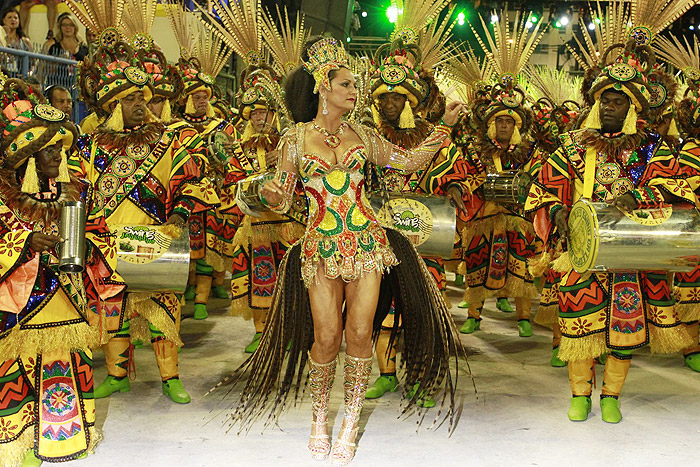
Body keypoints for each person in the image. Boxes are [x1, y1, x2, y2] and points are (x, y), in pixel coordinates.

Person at [215, 36, 465, 466]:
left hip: (367, 244)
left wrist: (444, 126)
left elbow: (407, 162)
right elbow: (280, 196)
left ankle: (349, 421)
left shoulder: (364, 136)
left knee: (360, 335)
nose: (355, 91)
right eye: (346, 84)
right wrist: (266, 192)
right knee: (327, 338)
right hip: (320, 248)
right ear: (322, 85)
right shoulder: (294, 140)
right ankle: (319, 419)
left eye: (355, 85)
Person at [524, 39, 695, 423]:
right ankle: (580, 393)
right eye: (604, 100)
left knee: (623, 329)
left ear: (634, 107)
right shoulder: (572, 145)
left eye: (617, 101)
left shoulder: (654, 149)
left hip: (629, 258)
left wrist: (641, 196)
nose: (608, 107)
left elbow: (680, 186)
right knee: (578, 326)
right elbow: (543, 187)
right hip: (581, 254)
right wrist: (557, 210)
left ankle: (611, 395)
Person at [69, 38, 218, 404]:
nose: (141, 104)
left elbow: (192, 178)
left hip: (154, 238)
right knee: (112, 311)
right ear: (113, 106)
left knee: (161, 312)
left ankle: (170, 379)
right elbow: (74, 191)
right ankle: (118, 376)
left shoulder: (169, 139)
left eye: (143, 97)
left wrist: (182, 212)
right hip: (106, 242)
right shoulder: (88, 146)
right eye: (131, 99)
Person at [0, 78, 121, 467]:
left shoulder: (73, 191)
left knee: (63, 360)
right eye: (50, 149)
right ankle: (17, 445)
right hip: (18, 306)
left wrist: (89, 246)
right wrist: (24, 244)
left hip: (66, 300)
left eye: (60, 147)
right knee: (14, 370)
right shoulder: (4, 197)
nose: (59, 156)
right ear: (27, 158)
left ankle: (61, 438)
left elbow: (101, 230)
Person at [363, 31, 470, 404]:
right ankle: (388, 374)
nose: (390, 103)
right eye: (384, 97)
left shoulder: (436, 138)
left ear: (410, 100)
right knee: (383, 312)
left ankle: (424, 378)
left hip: (424, 242)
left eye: (398, 97)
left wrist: (455, 188)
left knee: (421, 312)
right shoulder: (369, 139)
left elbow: (459, 169)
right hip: (381, 243)